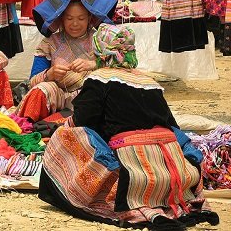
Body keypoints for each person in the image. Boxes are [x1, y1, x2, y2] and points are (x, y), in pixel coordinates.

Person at [39, 23, 220, 231]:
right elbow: (171, 125)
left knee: (68, 134)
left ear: (100, 51)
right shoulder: (149, 82)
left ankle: (86, 193)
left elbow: (84, 121)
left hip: (133, 173)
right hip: (173, 170)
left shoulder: (99, 79)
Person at [15, 0, 117, 122]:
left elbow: (121, 67)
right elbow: (32, 82)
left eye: (81, 18)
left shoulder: (100, 40)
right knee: (41, 90)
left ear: (90, 19)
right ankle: (28, 126)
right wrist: (49, 74)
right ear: (61, 19)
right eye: (69, 18)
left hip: (90, 98)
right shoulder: (49, 43)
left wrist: (94, 64)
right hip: (58, 97)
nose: (75, 24)